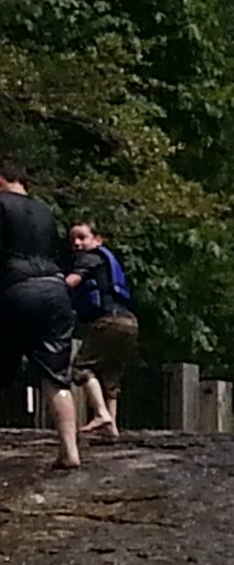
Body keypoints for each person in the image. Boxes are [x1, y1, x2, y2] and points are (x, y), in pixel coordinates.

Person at [0, 162, 80, 470]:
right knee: (56, 375)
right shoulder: (45, 211)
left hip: (16, 289)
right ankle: (70, 451)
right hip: (55, 289)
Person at [63, 222, 139, 443]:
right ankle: (111, 428)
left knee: (80, 368)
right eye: (73, 239)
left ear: (97, 239)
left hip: (109, 321)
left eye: (82, 237)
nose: (77, 243)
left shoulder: (90, 257)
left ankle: (100, 414)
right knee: (110, 375)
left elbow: (72, 282)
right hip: (130, 322)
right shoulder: (108, 262)